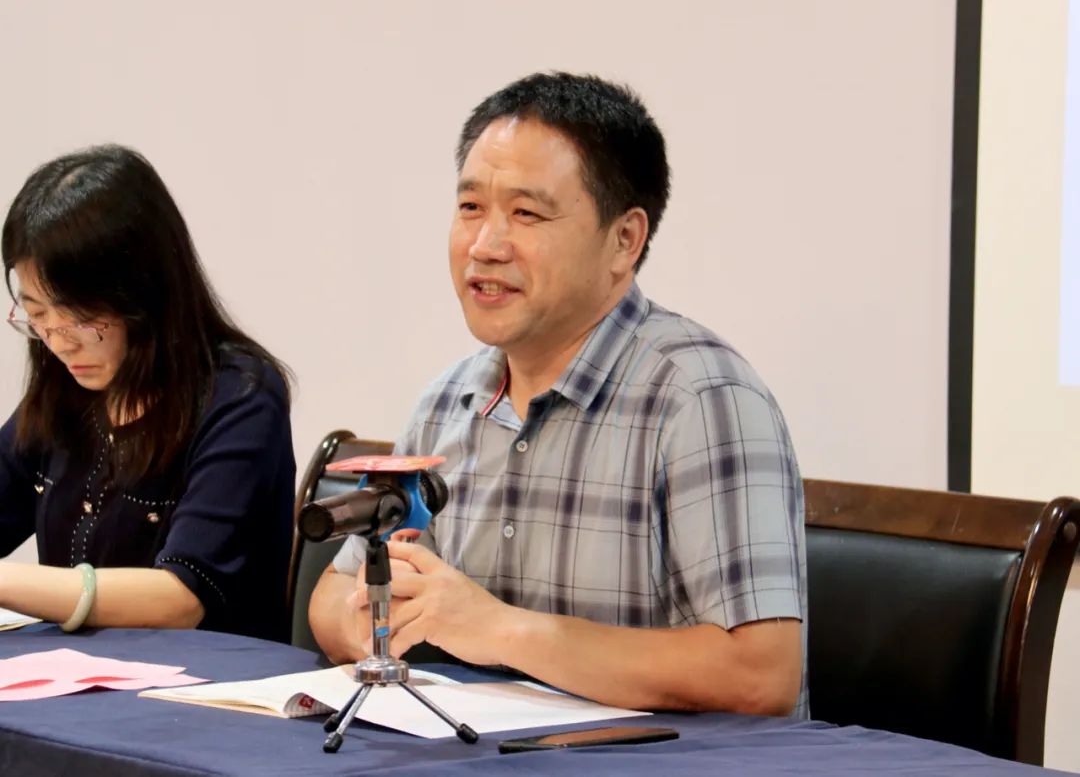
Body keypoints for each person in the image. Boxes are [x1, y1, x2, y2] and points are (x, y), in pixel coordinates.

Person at [309, 72, 807, 716]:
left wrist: (500, 630)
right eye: (470, 207)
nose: (485, 246)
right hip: (480, 748)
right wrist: (374, 624)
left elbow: (761, 675)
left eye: (526, 213)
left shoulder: (703, 399)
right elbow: (333, 595)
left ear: (624, 240)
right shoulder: (447, 402)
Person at [0, 145, 295, 642]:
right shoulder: (66, 390)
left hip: (208, 681)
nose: (59, 340)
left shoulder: (239, 396)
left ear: (144, 294)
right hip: (75, 679)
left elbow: (179, 598)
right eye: (38, 313)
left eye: (80, 315)